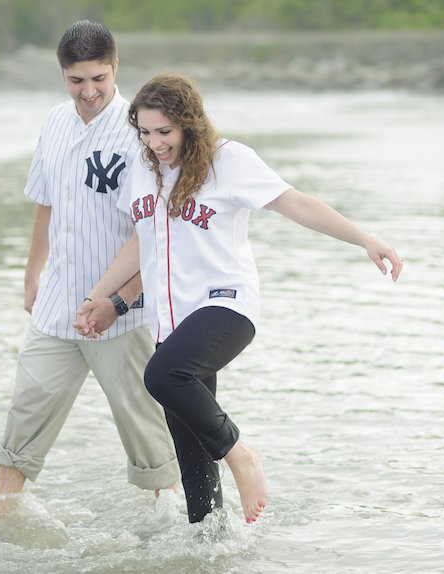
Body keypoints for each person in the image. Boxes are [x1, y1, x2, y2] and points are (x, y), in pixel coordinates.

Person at [74, 72, 403, 525]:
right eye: (145, 132)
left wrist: (366, 239)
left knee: (162, 376)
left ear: (189, 123)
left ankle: (242, 454)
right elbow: (138, 242)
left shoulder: (229, 161)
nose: (154, 143)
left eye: (164, 132)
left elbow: (297, 204)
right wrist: (97, 297)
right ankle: (211, 543)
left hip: (225, 306)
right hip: (173, 323)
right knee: (191, 458)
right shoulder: (143, 172)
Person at [0, 21, 179, 522]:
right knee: (25, 415)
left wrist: (119, 300)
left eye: (99, 77)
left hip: (122, 313)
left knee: (145, 427)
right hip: (56, 306)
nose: (89, 91)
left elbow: (155, 233)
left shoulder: (143, 133)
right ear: (63, 75)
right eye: (77, 80)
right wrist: (33, 273)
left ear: (115, 67)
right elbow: (44, 203)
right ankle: (1, 519)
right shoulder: (53, 122)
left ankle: (172, 523)